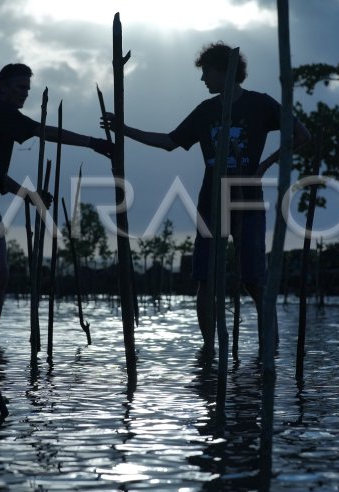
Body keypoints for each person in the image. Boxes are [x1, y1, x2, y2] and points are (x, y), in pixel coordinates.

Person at [104, 42, 310, 348]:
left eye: (207, 72)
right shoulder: (206, 111)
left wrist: (264, 166)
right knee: (205, 278)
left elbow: (301, 135)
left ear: (225, 72)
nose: (203, 80)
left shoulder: (260, 104)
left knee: (254, 279)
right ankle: (209, 352)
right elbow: (169, 142)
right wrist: (123, 128)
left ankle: (270, 349)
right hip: (211, 197)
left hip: (247, 195)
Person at [0, 62, 112, 353]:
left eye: (28, 89)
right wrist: (92, 143)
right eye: (20, 88)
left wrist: (29, 195)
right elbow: (42, 132)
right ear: (3, 87)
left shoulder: (7, 117)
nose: (25, 94)